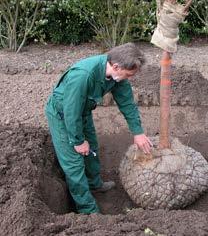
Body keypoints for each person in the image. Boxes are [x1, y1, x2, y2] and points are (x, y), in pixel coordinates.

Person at [45, 42, 153, 214]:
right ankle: (88, 210)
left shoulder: (116, 76)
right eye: (128, 75)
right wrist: (78, 141)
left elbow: (127, 103)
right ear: (116, 66)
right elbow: (71, 112)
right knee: (74, 163)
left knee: (92, 148)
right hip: (63, 115)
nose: (129, 78)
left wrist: (138, 132)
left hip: (83, 110)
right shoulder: (83, 75)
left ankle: (95, 184)